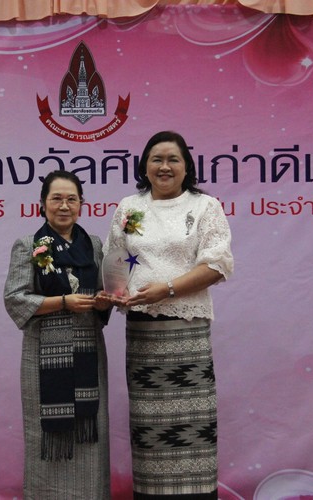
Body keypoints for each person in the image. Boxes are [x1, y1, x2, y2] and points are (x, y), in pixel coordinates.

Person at [104, 131, 234, 499]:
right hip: (143, 337)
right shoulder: (129, 207)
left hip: (187, 335)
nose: (165, 166)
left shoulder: (205, 207)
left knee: (193, 433)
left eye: (173, 159)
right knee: (150, 436)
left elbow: (217, 265)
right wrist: (115, 294)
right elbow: (115, 261)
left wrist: (168, 289)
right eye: (157, 159)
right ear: (144, 166)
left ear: (186, 167)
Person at [4, 170, 112, 500]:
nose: (64, 206)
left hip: (89, 352)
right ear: (42, 204)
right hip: (43, 357)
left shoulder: (94, 245)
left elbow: (104, 290)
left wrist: (104, 300)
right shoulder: (29, 245)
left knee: (90, 435)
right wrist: (63, 301)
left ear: (81, 204)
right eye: (56, 199)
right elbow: (15, 298)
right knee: (45, 438)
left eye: (71, 199)